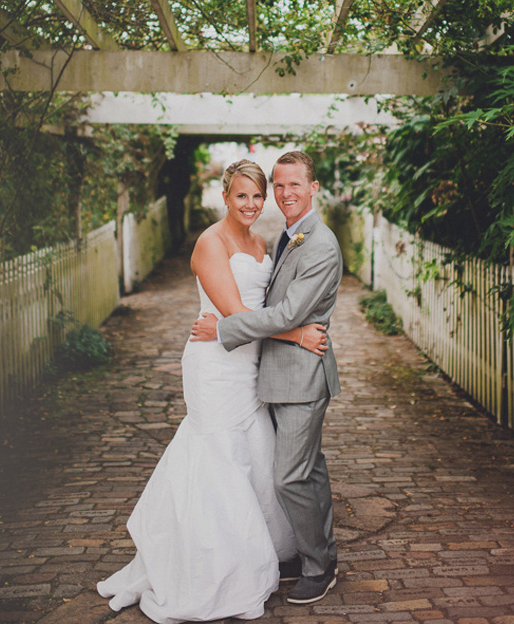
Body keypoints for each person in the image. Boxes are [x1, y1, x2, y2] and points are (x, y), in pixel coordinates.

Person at [97, 159, 328, 624]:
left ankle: (268, 551)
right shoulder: (210, 242)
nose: (251, 204)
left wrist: (239, 327)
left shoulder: (262, 241)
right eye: (242, 195)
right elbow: (236, 313)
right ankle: (215, 569)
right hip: (216, 366)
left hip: (251, 367)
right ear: (224, 196)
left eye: (258, 196)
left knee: (256, 456)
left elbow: (253, 313)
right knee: (219, 457)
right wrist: (298, 335)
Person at [190, 150, 343, 606]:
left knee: (289, 477)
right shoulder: (284, 237)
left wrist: (221, 330)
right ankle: (315, 553)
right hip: (269, 371)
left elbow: (291, 311)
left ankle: (319, 567)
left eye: (293, 184)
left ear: (314, 188)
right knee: (307, 470)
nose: (283, 193)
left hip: (300, 375)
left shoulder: (319, 244)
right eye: (278, 185)